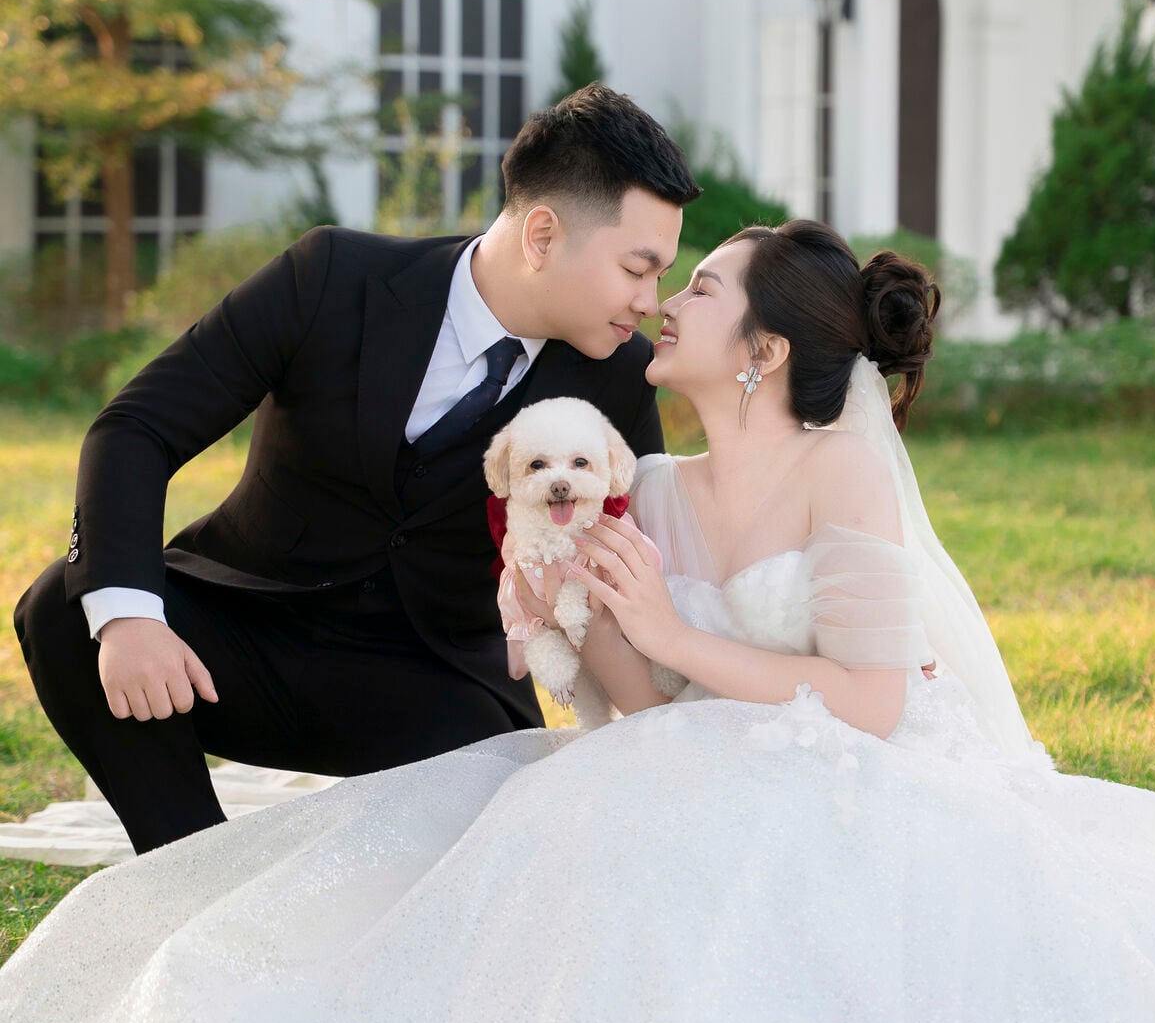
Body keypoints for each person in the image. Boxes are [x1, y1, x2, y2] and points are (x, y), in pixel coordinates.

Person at [2, 219, 1155, 1023]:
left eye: (700, 286)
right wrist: (569, 611)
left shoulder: (839, 466)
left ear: (761, 350)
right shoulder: (649, 487)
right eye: (662, 272)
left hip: (849, 769)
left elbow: (871, 701)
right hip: (690, 755)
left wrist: (669, 631)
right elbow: (638, 708)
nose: (665, 300)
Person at [11, 85, 697, 855]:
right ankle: (189, 873)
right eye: (637, 269)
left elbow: (640, 557)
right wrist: (133, 618)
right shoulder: (333, 276)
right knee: (70, 606)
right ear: (542, 234)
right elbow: (138, 426)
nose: (650, 300)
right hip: (249, 635)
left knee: (491, 849)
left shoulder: (618, 376)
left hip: (436, 685)